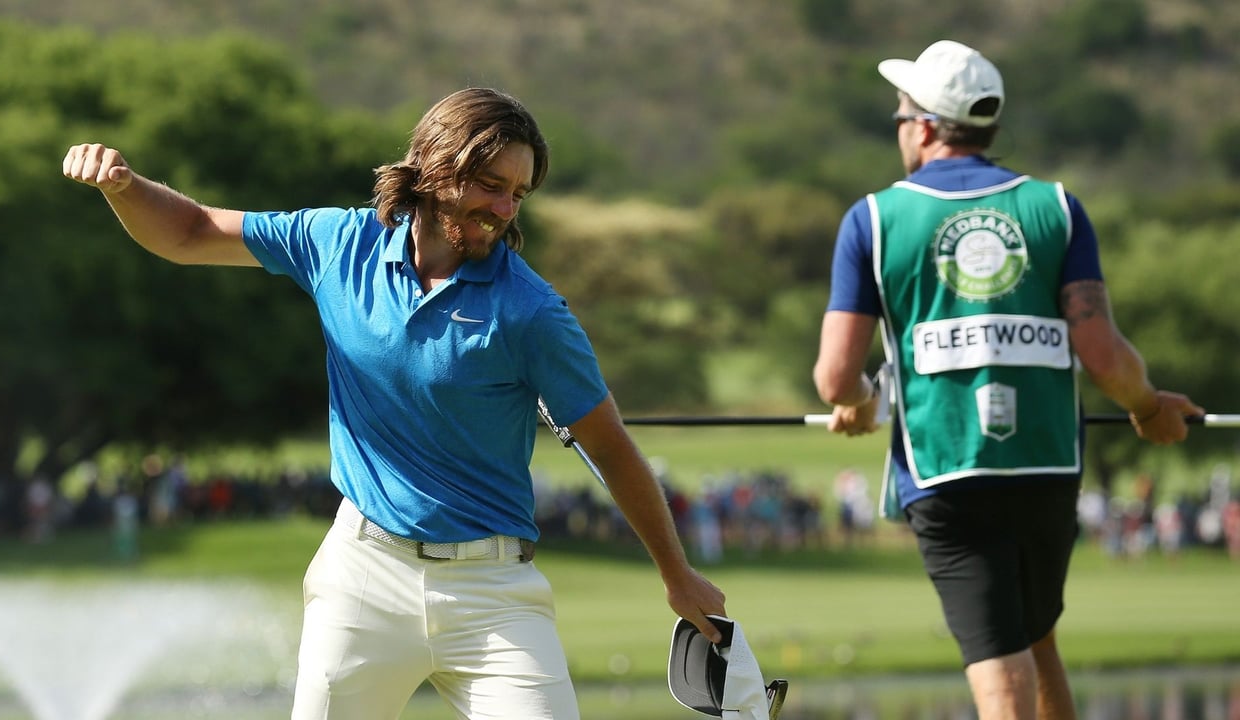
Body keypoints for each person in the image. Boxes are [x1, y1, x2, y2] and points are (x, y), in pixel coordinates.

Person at [63, 87, 726, 720]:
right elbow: (189, 231)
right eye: (491, 186)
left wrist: (677, 574)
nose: (504, 209)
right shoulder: (336, 245)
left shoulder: (533, 314)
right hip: (363, 576)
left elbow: (609, 444)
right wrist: (125, 187)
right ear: (436, 168)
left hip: (493, 594)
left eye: (518, 194)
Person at [812, 41, 1203, 720]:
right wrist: (1147, 406)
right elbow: (1103, 355)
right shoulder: (1057, 207)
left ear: (928, 126)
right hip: (1047, 467)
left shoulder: (872, 219)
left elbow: (835, 377)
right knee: (1034, 636)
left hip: (947, 468)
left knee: (998, 664)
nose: (900, 127)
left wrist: (862, 404)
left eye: (901, 116)